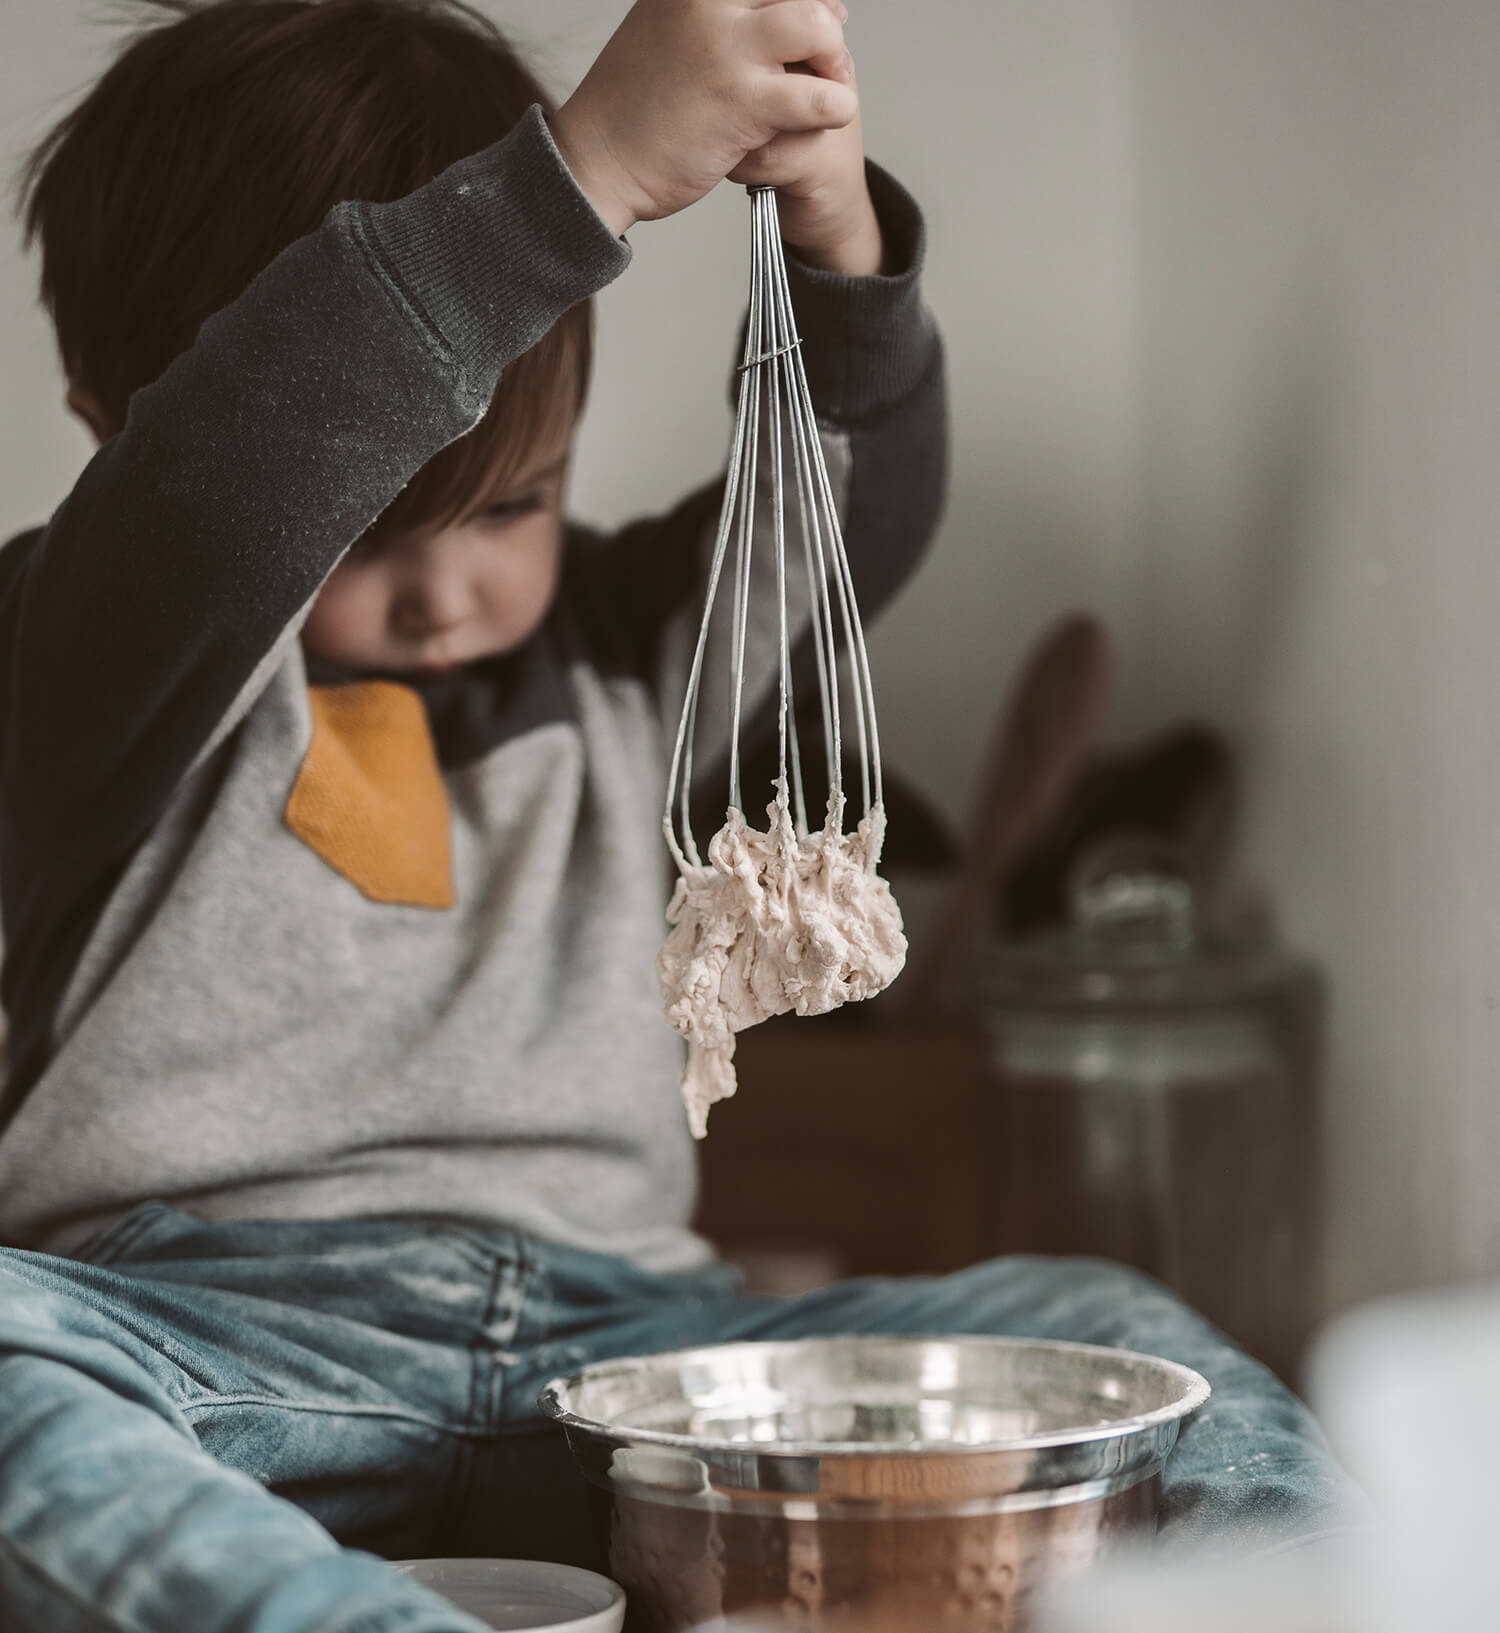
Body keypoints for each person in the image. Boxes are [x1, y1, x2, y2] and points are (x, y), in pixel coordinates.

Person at [0, 2, 1350, 1628]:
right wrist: (572, 185)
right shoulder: (96, 655)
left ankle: (1332, 1598)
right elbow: (227, 490)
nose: (444, 593)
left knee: (1103, 1323)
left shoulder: (637, 655)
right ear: (107, 423)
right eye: (367, 532)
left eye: (513, 508)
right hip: (218, 1352)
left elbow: (845, 512)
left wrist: (836, 245)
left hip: (638, 1367)